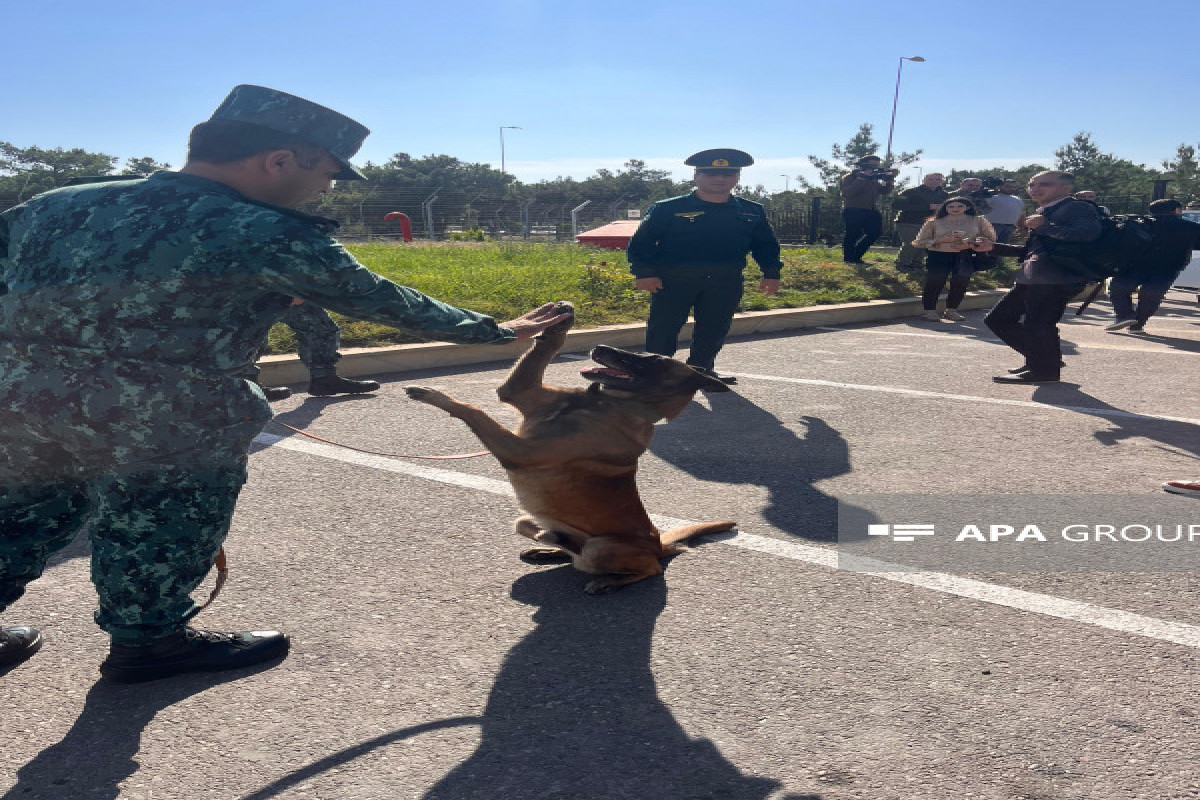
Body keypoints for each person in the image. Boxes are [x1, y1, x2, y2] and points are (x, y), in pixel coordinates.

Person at [0, 85, 570, 681]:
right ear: (280, 159)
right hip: (164, 417)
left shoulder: (54, 203)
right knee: (158, 525)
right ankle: (150, 644)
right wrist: (494, 330)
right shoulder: (265, 230)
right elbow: (379, 299)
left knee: (20, 514)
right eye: (326, 172)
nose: (324, 188)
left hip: (23, 400)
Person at [627, 148, 782, 385]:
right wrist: (644, 273)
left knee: (714, 328)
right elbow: (642, 242)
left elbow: (766, 245)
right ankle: (656, 374)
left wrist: (771, 274)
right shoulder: (668, 208)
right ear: (696, 177)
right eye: (711, 174)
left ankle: (700, 371)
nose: (720, 179)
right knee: (664, 328)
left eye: (729, 174)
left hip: (725, 280)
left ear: (737, 178)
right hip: (674, 280)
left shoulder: (752, 210)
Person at [977, 171, 1103, 384]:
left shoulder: (1077, 207)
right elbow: (1033, 251)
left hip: (1056, 278)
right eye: (1032, 184)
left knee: (1039, 324)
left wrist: (1043, 226)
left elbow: (1088, 235)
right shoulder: (1050, 210)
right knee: (1000, 319)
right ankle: (1043, 361)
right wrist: (994, 247)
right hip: (1037, 277)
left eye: (1044, 184)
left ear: (1066, 188)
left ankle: (1044, 369)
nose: (1035, 189)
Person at [1105, 198, 1200, 332]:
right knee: (1152, 295)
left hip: (1134, 264)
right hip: (1169, 267)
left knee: (1118, 288)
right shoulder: (1191, 227)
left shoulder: (1139, 223)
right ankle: (1137, 325)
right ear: (1176, 210)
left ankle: (1124, 315)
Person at [253, 301, 380, 401]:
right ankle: (243, 387)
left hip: (264, 283)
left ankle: (324, 379)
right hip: (253, 283)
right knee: (248, 332)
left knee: (320, 326)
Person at [911, 197, 996, 322]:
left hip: (964, 254)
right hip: (938, 255)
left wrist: (970, 243)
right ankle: (930, 311)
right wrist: (943, 240)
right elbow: (919, 242)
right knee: (935, 282)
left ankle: (951, 310)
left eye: (959, 206)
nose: (955, 209)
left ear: (967, 207)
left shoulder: (978, 220)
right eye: (951, 206)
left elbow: (989, 238)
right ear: (944, 208)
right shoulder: (933, 222)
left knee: (960, 282)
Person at [839, 154, 897, 265]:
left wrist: (890, 180)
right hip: (853, 210)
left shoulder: (873, 179)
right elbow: (847, 193)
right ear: (862, 165)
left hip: (871, 210)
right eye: (872, 165)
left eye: (877, 165)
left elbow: (884, 191)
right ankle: (849, 259)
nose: (875, 168)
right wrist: (861, 179)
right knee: (852, 234)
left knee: (874, 233)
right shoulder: (850, 177)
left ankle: (855, 256)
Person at [891, 172, 948, 271]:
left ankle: (916, 264)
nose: (934, 181)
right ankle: (902, 264)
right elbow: (897, 205)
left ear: (942, 181)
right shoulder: (910, 192)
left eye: (938, 179)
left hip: (930, 224)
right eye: (930, 179)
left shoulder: (944, 194)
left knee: (925, 244)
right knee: (911, 243)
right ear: (924, 180)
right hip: (908, 222)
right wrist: (928, 207)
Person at [983, 179, 1025, 243]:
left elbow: (1021, 214)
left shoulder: (1018, 199)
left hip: (1010, 227)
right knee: (988, 245)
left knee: (1003, 248)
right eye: (1007, 186)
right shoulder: (991, 197)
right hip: (992, 226)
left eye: (1013, 187)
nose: (1011, 188)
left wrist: (1022, 228)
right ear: (999, 186)